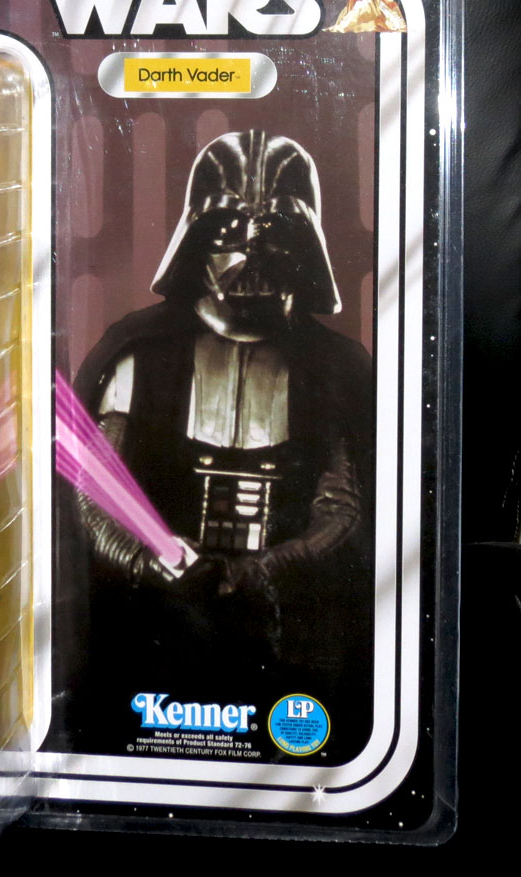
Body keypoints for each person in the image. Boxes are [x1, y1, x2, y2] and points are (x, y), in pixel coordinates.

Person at [72, 131, 373, 751]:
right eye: (228, 232)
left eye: (275, 233)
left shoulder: (335, 368)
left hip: (288, 630)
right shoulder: (140, 355)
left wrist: (273, 569)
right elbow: (94, 490)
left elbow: (346, 503)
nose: (250, 255)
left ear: (305, 246)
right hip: (155, 620)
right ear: (195, 240)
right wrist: (148, 559)